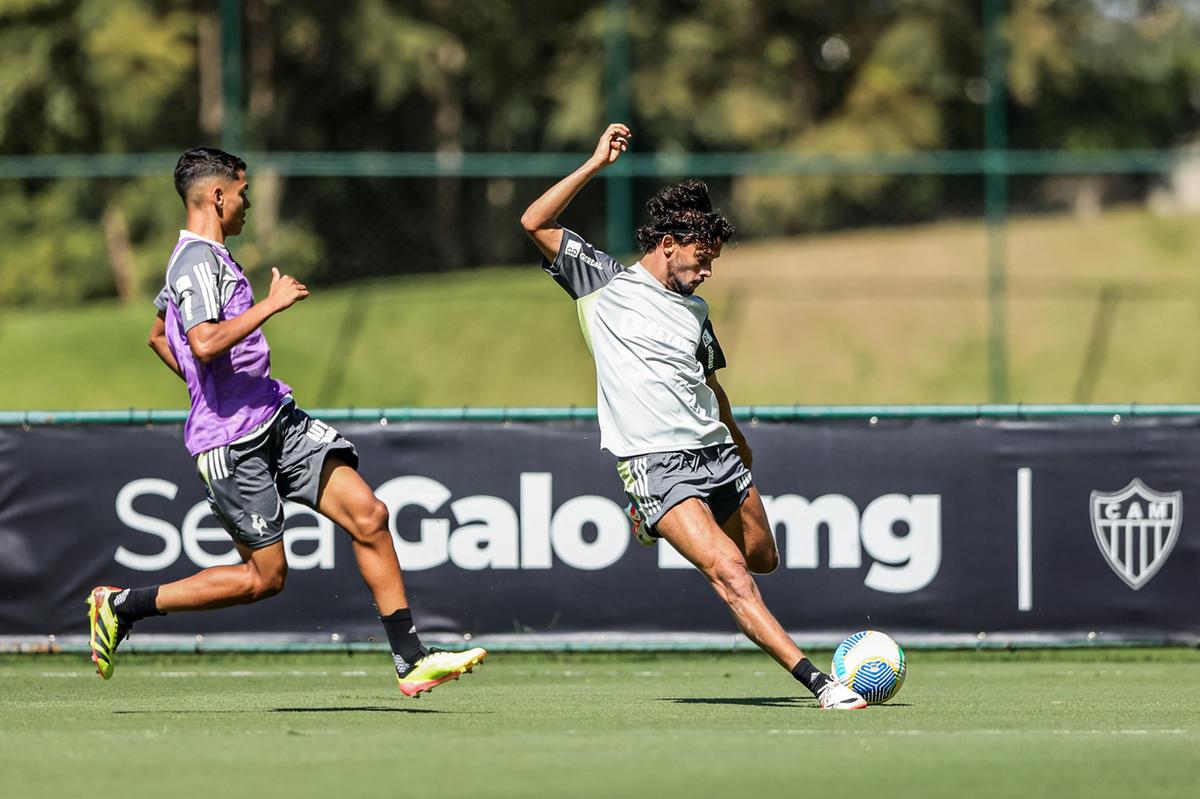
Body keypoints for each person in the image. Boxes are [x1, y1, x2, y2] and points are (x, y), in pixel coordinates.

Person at [88, 147, 485, 697]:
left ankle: (411, 659)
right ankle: (123, 606)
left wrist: (212, 388)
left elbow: (160, 334)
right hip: (233, 446)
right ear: (217, 195)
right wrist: (269, 307)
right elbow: (201, 342)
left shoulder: (204, 258)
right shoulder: (195, 261)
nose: (247, 202)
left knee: (369, 515)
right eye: (243, 192)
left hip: (277, 419)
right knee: (264, 579)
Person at [520, 124, 866, 710]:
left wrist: (738, 440)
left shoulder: (697, 312)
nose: (707, 271)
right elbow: (534, 222)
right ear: (668, 243)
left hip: (717, 451)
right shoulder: (603, 284)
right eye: (702, 259)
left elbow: (711, 383)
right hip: (654, 461)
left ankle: (645, 517)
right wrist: (594, 164)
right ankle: (820, 683)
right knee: (730, 571)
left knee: (763, 557)